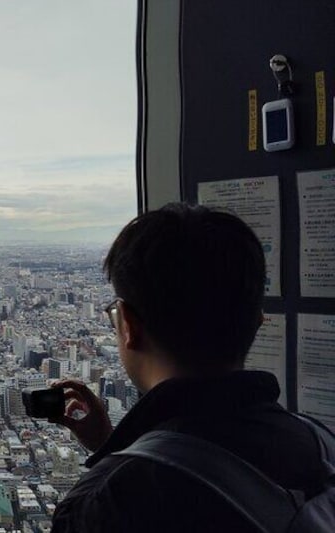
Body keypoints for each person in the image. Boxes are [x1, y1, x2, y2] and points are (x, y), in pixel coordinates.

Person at [48, 203, 330, 533]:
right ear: (257, 322)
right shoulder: (318, 442)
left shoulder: (106, 506)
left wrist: (117, 460)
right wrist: (113, 444)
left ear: (128, 326)